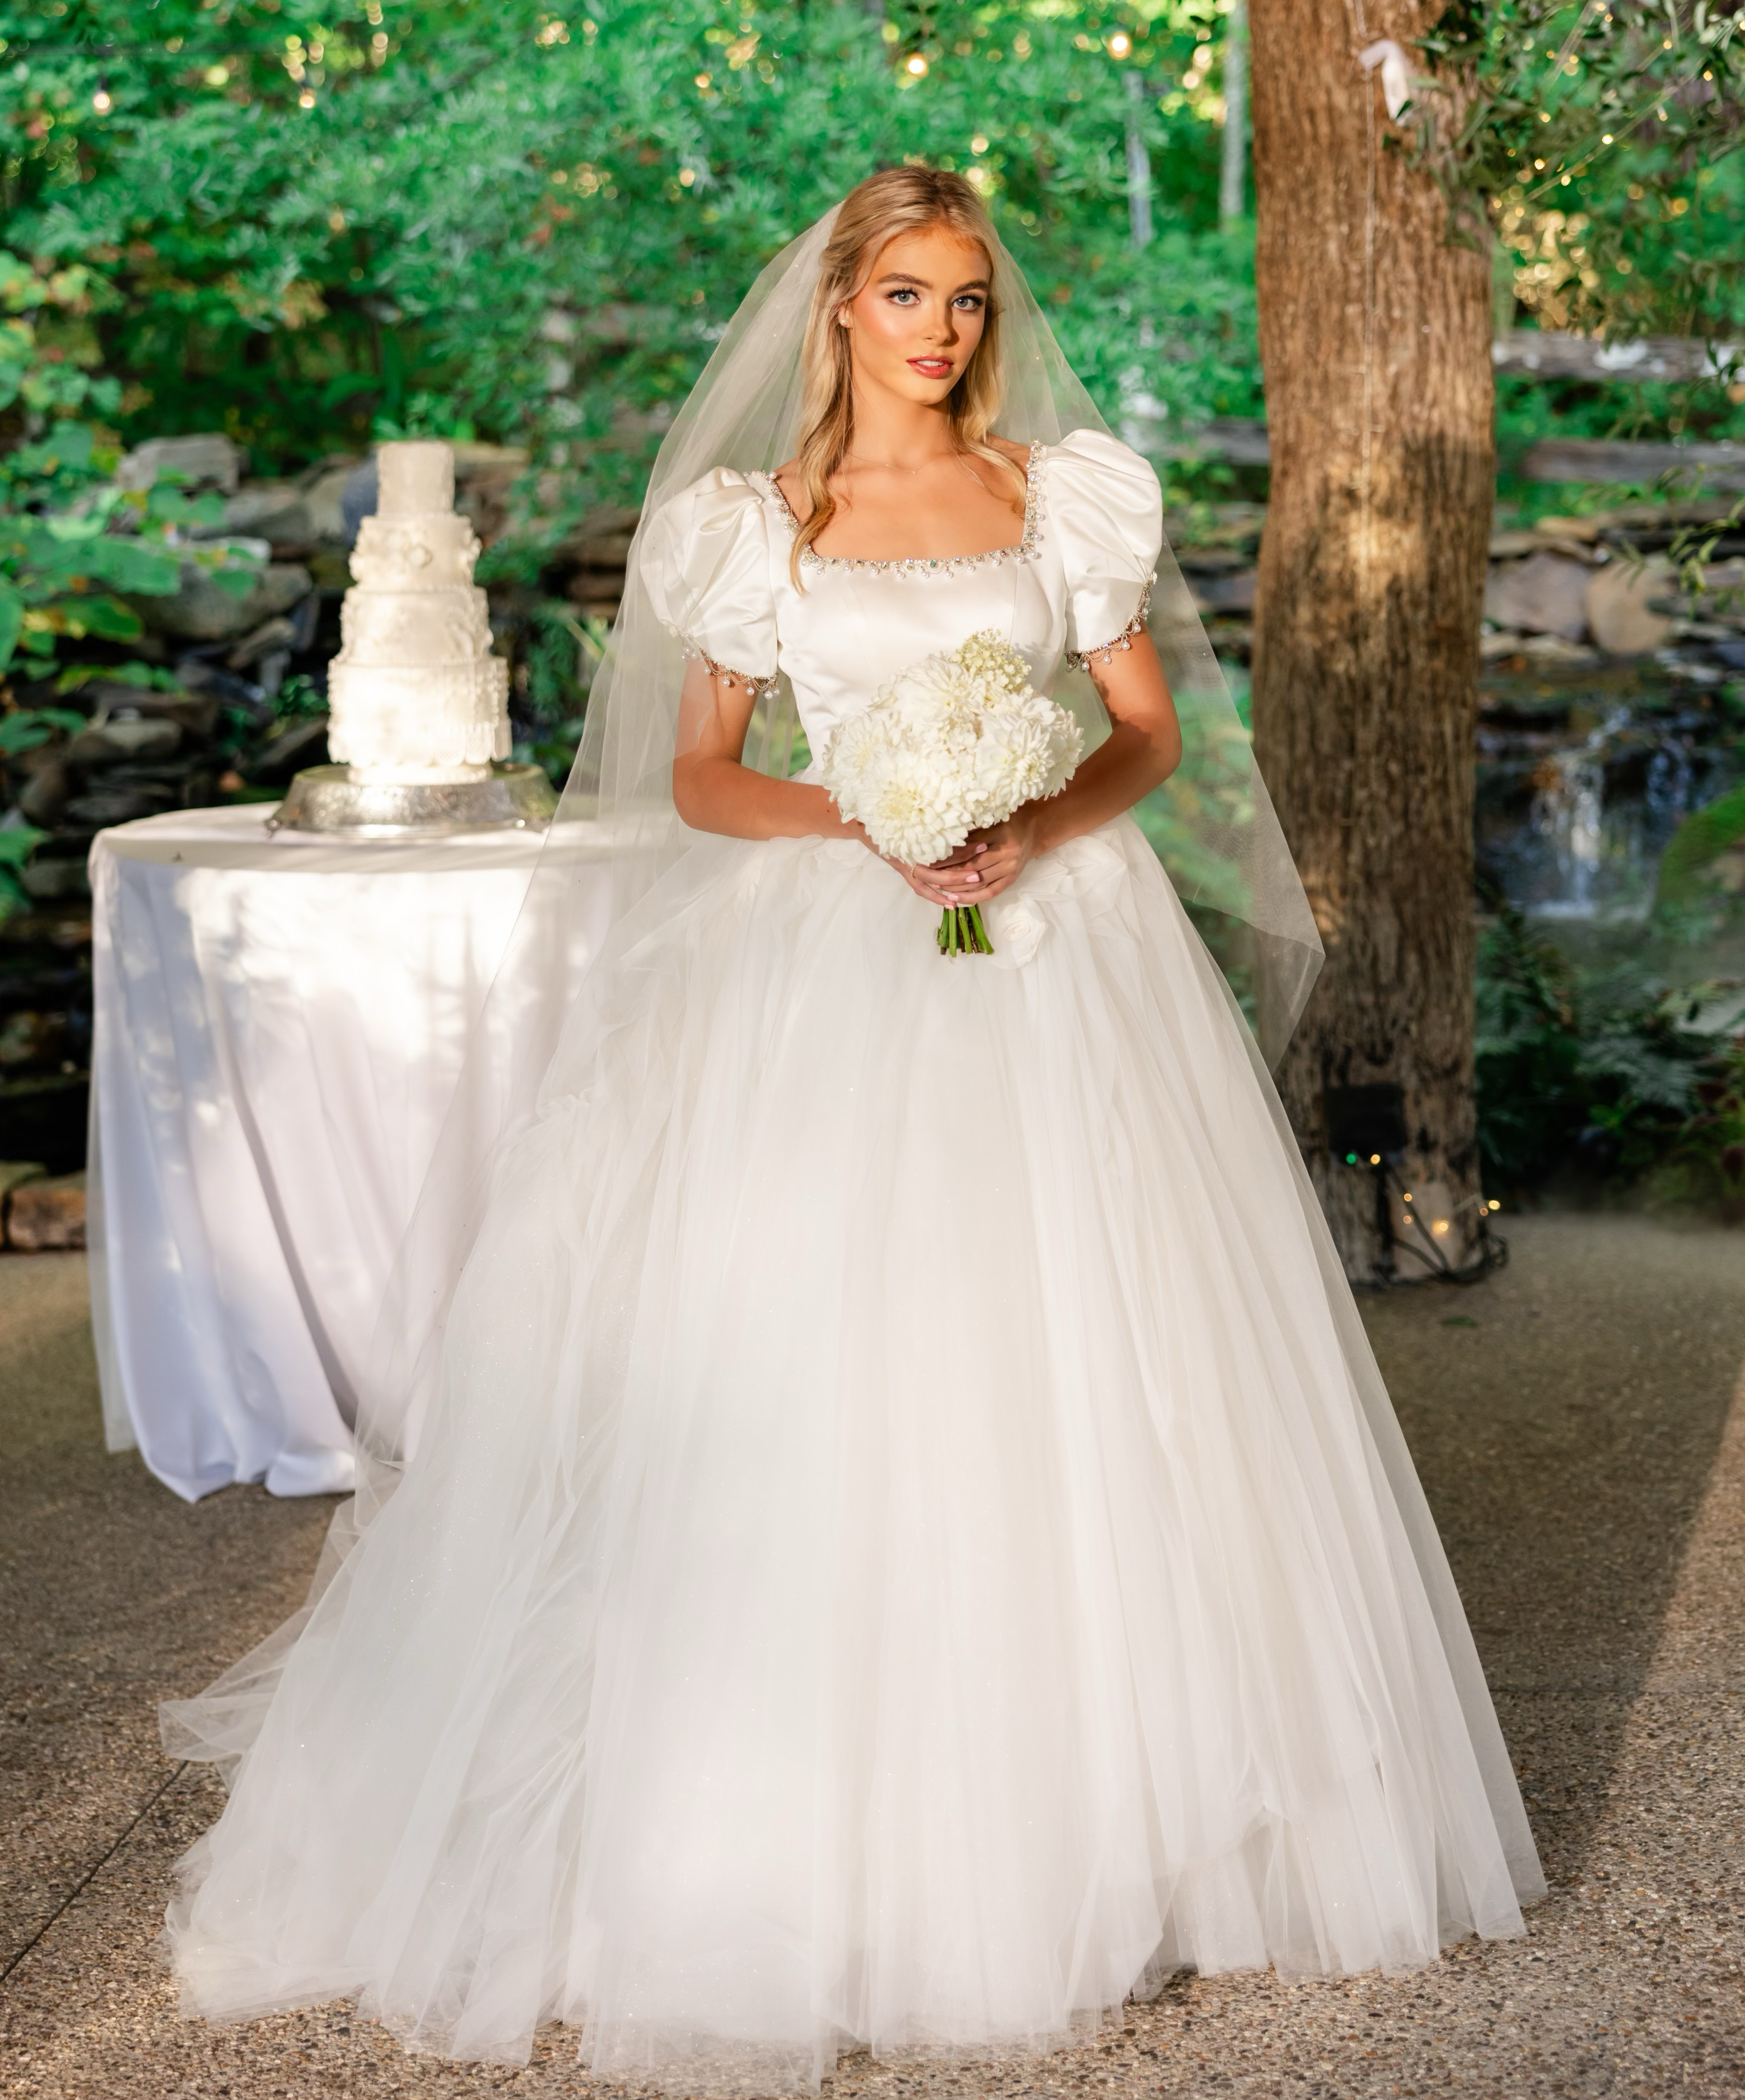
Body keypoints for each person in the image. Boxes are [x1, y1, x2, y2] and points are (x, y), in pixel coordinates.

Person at [162, 168, 1543, 2094]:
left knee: (1086, 1348)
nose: (942, 331)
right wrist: (868, 822)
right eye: (906, 295)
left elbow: (1142, 732)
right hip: (826, 950)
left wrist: (1031, 815)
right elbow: (705, 778)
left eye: (966, 298)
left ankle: (1135, 1811)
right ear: (837, 308)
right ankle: (805, 1831)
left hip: (1057, 941)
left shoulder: (1057, 494)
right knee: (838, 1363)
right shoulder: (754, 529)